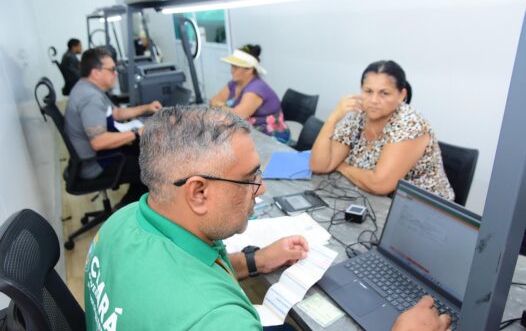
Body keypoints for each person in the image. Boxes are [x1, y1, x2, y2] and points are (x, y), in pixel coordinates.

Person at [84, 106, 451, 331]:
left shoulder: (123, 220)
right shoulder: (218, 320)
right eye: (249, 179)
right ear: (198, 192)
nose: (260, 191)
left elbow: (187, 265)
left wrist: (256, 260)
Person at [310, 60, 454, 200]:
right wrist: (333, 118)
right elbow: (320, 165)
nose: (373, 100)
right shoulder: (360, 114)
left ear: (402, 95)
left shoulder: (410, 124)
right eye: (368, 91)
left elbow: (379, 184)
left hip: (421, 210)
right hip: (370, 198)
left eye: (384, 93)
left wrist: (341, 166)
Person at [64, 47, 161, 206]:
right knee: (153, 169)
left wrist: (146, 108)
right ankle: (126, 215)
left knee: (144, 155)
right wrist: (137, 132)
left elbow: (115, 113)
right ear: (96, 73)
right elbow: (99, 141)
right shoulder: (90, 98)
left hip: (98, 157)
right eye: (112, 69)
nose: (116, 73)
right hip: (96, 165)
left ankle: (128, 204)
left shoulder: (88, 88)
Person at [210, 44, 290, 143]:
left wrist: (220, 107)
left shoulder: (256, 88)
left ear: (249, 69)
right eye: (232, 66)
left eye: (236, 67)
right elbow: (214, 100)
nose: (231, 71)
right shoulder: (234, 83)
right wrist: (224, 107)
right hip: (248, 130)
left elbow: (239, 115)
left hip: (270, 135)